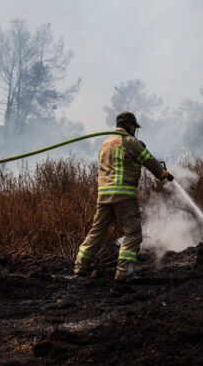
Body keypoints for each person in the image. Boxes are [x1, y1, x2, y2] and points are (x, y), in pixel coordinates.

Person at [74, 111, 173, 281]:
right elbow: (150, 161)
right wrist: (162, 174)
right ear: (129, 125)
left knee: (96, 232)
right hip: (123, 195)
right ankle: (124, 273)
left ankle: (80, 267)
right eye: (134, 127)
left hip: (104, 196)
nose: (134, 130)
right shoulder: (131, 142)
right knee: (133, 233)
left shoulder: (105, 143)